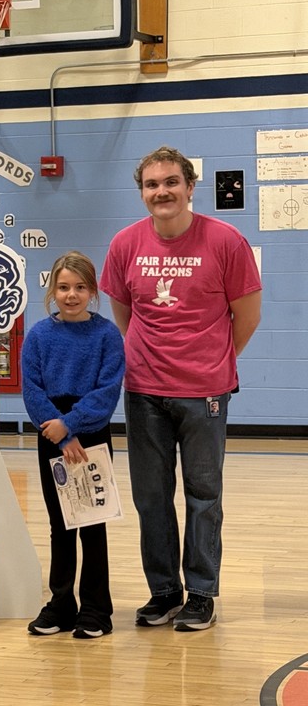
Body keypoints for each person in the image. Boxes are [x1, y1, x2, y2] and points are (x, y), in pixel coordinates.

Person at [100, 146, 262, 632]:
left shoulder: (226, 241)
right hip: (145, 390)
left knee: (203, 495)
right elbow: (124, 316)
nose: (161, 192)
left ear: (190, 187)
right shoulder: (126, 244)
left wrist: (211, 360)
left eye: (171, 182)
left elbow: (247, 315)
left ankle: (202, 593)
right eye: (152, 185)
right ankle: (164, 591)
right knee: (151, 497)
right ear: (142, 192)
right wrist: (148, 359)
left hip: (205, 393)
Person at [22, 252, 125, 639]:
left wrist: (72, 425)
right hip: (51, 431)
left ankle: (97, 609)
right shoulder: (39, 335)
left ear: (92, 291)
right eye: (64, 287)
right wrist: (60, 432)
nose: (71, 295)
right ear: (53, 291)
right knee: (60, 524)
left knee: (92, 524)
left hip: (91, 431)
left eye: (80, 287)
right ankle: (62, 603)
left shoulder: (106, 335)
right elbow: (33, 391)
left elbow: (107, 390)